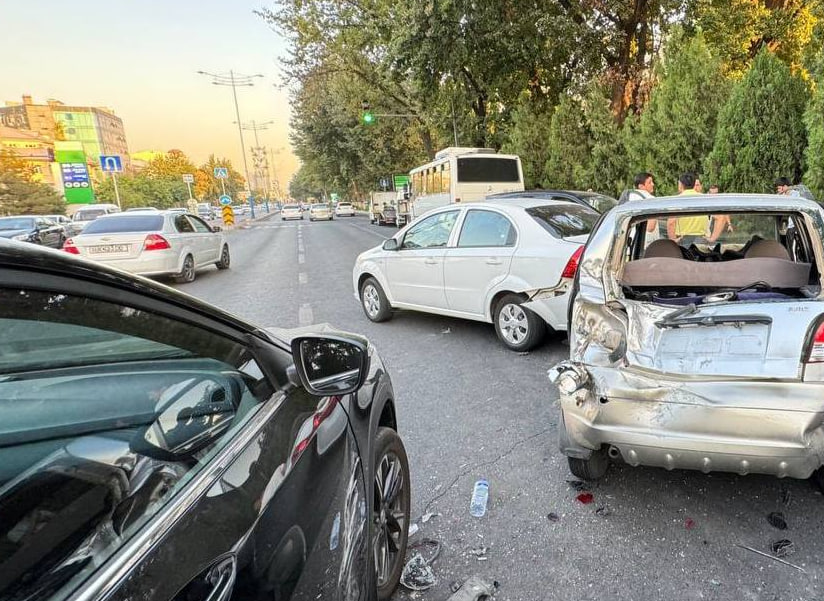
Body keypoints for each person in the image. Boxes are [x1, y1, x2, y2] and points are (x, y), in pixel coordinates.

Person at [667, 172, 706, 246]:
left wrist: (673, 241)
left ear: (681, 184)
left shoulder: (676, 200)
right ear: (694, 184)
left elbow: (671, 223)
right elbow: (720, 217)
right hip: (701, 238)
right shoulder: (704, 198)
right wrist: (713, 238)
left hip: (683, 239)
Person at [624, 172, 659, 238]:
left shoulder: (629, 197)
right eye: (649, 182)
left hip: (631, 239)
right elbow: (650, 227)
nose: (653, 184)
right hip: (646, 241)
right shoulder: (651, 199)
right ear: (641, 186)